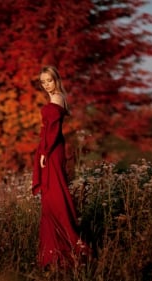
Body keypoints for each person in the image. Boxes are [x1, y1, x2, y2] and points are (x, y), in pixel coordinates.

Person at [32, 65, 90, 269]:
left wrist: (43, 153)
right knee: (51, 199)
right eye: (43, 82)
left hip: (52, 151)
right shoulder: (59, 98)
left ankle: (71, 249)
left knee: (53, 199)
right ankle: (54, 254)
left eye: (50, 80)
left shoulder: (56, 99)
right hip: (53, 150)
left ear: (56, 80)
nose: (47, 85)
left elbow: (53, 132)